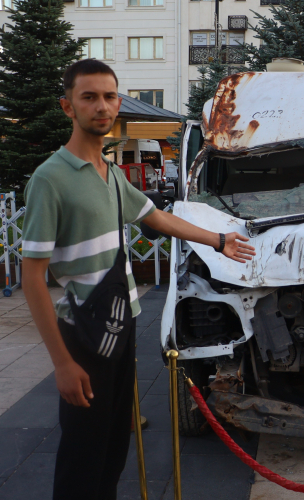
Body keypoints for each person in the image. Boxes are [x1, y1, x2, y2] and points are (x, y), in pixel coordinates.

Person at [21, 59, 256, 500]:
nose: (101, 106)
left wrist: (219, 240)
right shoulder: (50, 179)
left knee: (113, 448)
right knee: (82, 457)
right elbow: (31, 277)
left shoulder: (110, 174)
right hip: (83, 334)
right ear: (68, 106)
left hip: (120, 324)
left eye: (109, 96)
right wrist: (62, 363)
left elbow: (158, 218)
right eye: (89, 97)